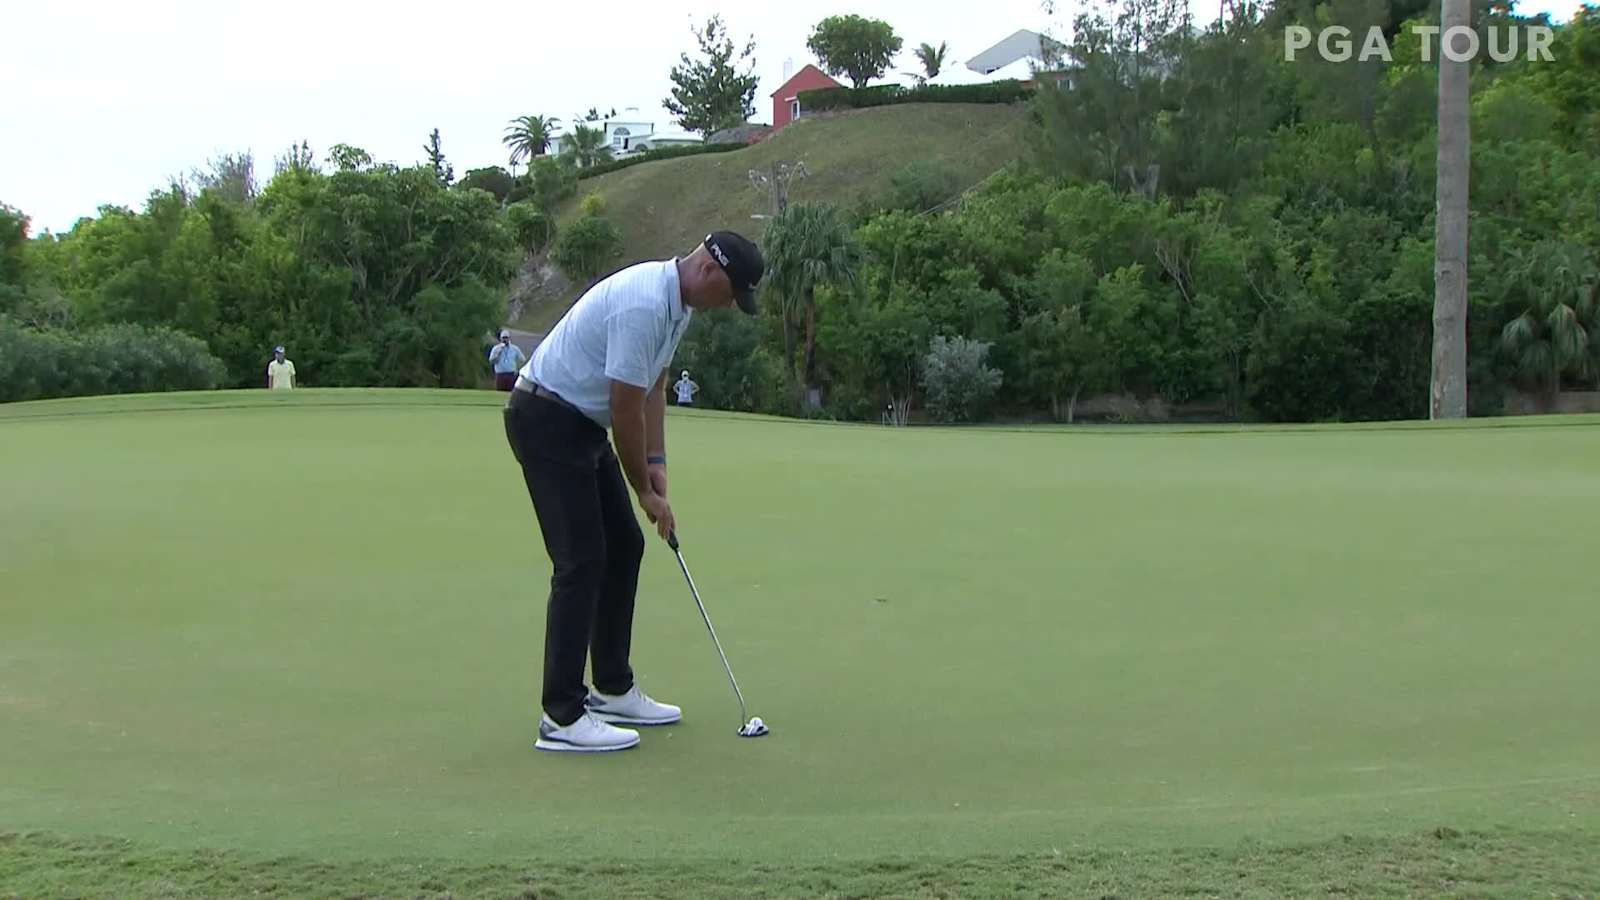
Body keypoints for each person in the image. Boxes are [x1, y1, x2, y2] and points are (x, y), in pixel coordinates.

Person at [502, 231, 763, 753]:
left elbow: (654, 387)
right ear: (709, 270)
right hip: (547, 418)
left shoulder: (678, 306)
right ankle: (561, 716)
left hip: (581, 424)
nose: (730, 305)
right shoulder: (644, 304)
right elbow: (624, 407)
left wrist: (657, 463)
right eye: (731, 293)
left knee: (624, 546)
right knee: (580, 561)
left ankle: (613, 688)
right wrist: (644, 489)